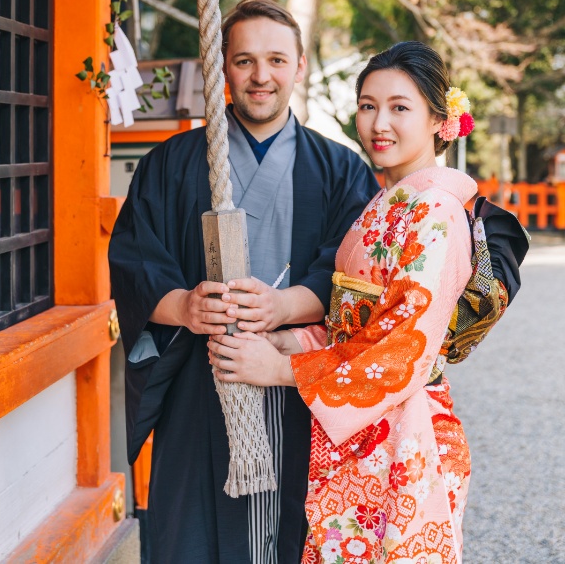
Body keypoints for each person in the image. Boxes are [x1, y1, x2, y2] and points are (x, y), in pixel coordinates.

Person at [108, 0, 380, 564]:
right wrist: (183, 306)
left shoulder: (341, 169)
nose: (262, 77)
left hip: (297, 383)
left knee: (300, 534)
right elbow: (134, 258)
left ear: (300, 66)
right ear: (222, 67)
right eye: (245, 61)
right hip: (198, 381)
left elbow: (357, 273)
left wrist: (282, 307)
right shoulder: (172, 163)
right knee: (191, 536)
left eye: (277, 60)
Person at [208, 41, 490, 564]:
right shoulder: (386, 205)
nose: (379, 122)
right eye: (367, 105)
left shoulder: (435, 213)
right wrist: (282, 339)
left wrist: (284, 368)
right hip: (364, 429)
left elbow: (402, 348)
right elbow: (351, 327)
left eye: (399, 107)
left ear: (438, 120)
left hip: (405, 436)